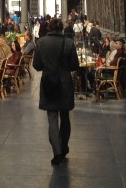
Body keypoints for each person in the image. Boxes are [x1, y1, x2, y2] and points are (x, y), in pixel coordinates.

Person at [33, 16, 79, 166]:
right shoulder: (69, 43)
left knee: (52, 118)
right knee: (65, 117)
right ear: (61, 28)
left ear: (49, 28)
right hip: (65, 83)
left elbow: (37, 66)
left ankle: (57, 152)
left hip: (49, 84)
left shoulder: (40, 43)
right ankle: (64, 147)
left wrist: (49, 67)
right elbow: (74, 66)